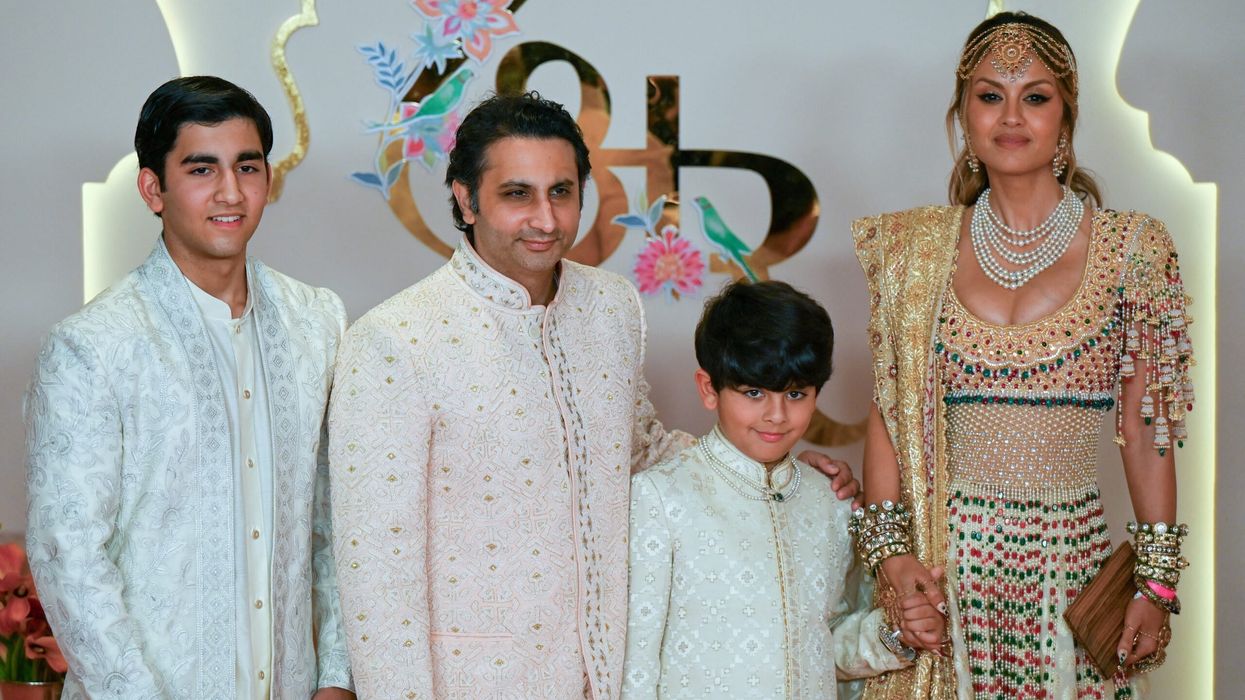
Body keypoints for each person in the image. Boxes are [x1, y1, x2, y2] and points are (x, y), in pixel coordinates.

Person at [328, 91, 858, 700]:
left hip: (607, 674)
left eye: (561, 191)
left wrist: (768, 466)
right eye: (516, 194)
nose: (546, 220)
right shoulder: (395, 339)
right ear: (466, 199)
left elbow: (639, 450)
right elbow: (376, 573)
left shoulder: (609, 306)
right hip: (476, 680)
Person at [851, 12, 1194, 699]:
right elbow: (888, 413)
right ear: (963, 112)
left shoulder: (1130, 250)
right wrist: (890, 559)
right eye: (988, 95)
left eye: (1034, 96)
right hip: (947, 577)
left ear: (1065, 116)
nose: (1011, 115)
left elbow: (1146, 431)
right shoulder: (912, 252)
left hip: (1071, 569)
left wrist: (1155, 582)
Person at [24, 76, 354, 699]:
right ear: (154, 188)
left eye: (248, 167)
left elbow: (338, 522)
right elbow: (69, 555)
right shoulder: (94, 345)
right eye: (202, 169)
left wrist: (336, 675)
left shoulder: (319, 324)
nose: (231, 192)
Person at [621, 280, 930, 699]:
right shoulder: (661, 497)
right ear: (709, 389)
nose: (777, 415)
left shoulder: (830, 502)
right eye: (753, 393)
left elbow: (828, 644)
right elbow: (637, 661)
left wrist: (896, 633)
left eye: (796, 394)